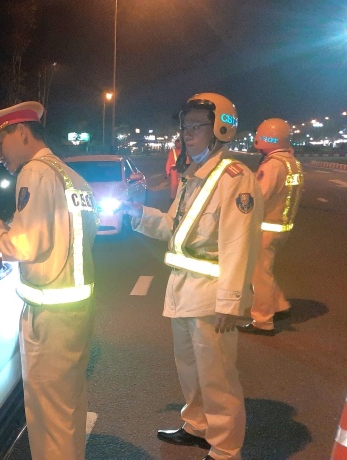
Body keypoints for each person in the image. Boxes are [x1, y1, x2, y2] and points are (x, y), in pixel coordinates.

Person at [0, 101, 98, 459]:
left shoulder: (34, 173)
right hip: (75, 309)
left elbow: (25, 247)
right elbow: (70, 235)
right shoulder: (70, 176)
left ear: (22, 133)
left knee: (48, 418)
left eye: (0, 143)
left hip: (49, 316)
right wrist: (8, 228)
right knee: (68, 409)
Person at [121, 93, 263, 460]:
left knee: (217, 376)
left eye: (197, 125)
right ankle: (198, 425)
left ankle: (226, 447)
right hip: (183, 289)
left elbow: (239, 243)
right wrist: (138, 211)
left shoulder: (234, 178)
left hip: (212, 296)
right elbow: (174, 229)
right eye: (185, 125)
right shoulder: (192, 177)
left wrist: (232, 301)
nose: (188, 132)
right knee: (189, 368)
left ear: (220, 129)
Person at [237, 118, 303, 336]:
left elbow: (259, 197)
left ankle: (263, 321)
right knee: (265, 270)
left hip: (267, 228)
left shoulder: (273, 165)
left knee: (259, 275)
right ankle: (280, 306)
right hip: (282, 227)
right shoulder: (291, 162)